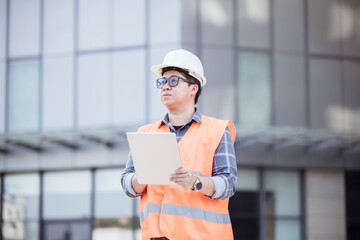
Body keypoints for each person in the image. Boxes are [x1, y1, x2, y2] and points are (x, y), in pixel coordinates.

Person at [121, 49, 237, 240]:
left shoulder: (217, 130)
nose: (165, 86)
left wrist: (195, 183)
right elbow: (127, 184)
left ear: (194, 88)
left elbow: (229, 184)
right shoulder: (146, 133)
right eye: (162, 81)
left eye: (173, 80)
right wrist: (144, 175)